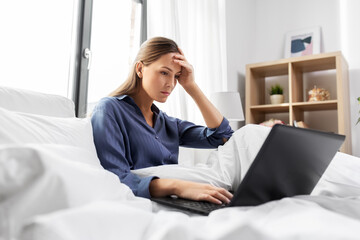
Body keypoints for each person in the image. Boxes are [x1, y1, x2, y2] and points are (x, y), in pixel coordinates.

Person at [91, 37, 235, 205]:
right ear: (140, 69)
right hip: (150, 201)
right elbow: (116, 177)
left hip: (178, 199)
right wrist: (178, 186)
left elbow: (222, 136)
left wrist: (191, 86)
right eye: (164, 72)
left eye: (177, 76)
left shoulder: (168, 123)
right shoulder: (109, 109)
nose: (171, 84)